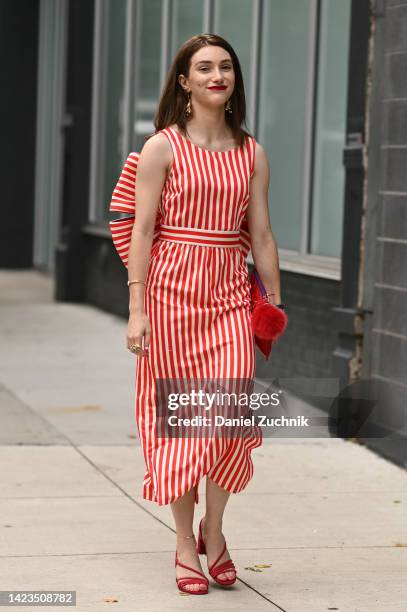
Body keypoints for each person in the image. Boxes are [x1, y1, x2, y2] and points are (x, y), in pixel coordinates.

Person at [123, 33, 281, 595]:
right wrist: (137, 307)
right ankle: (186, 543)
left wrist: (274, 303)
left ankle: (215, 530)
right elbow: (142, 230)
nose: (218, 75)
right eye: (205, 68)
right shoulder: (162, 147)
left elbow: (260, 232)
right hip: (170, 297)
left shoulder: (251, 152)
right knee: (182, 426)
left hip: (230, 297)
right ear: (185, 82)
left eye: (226, 67)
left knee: (226, 419)